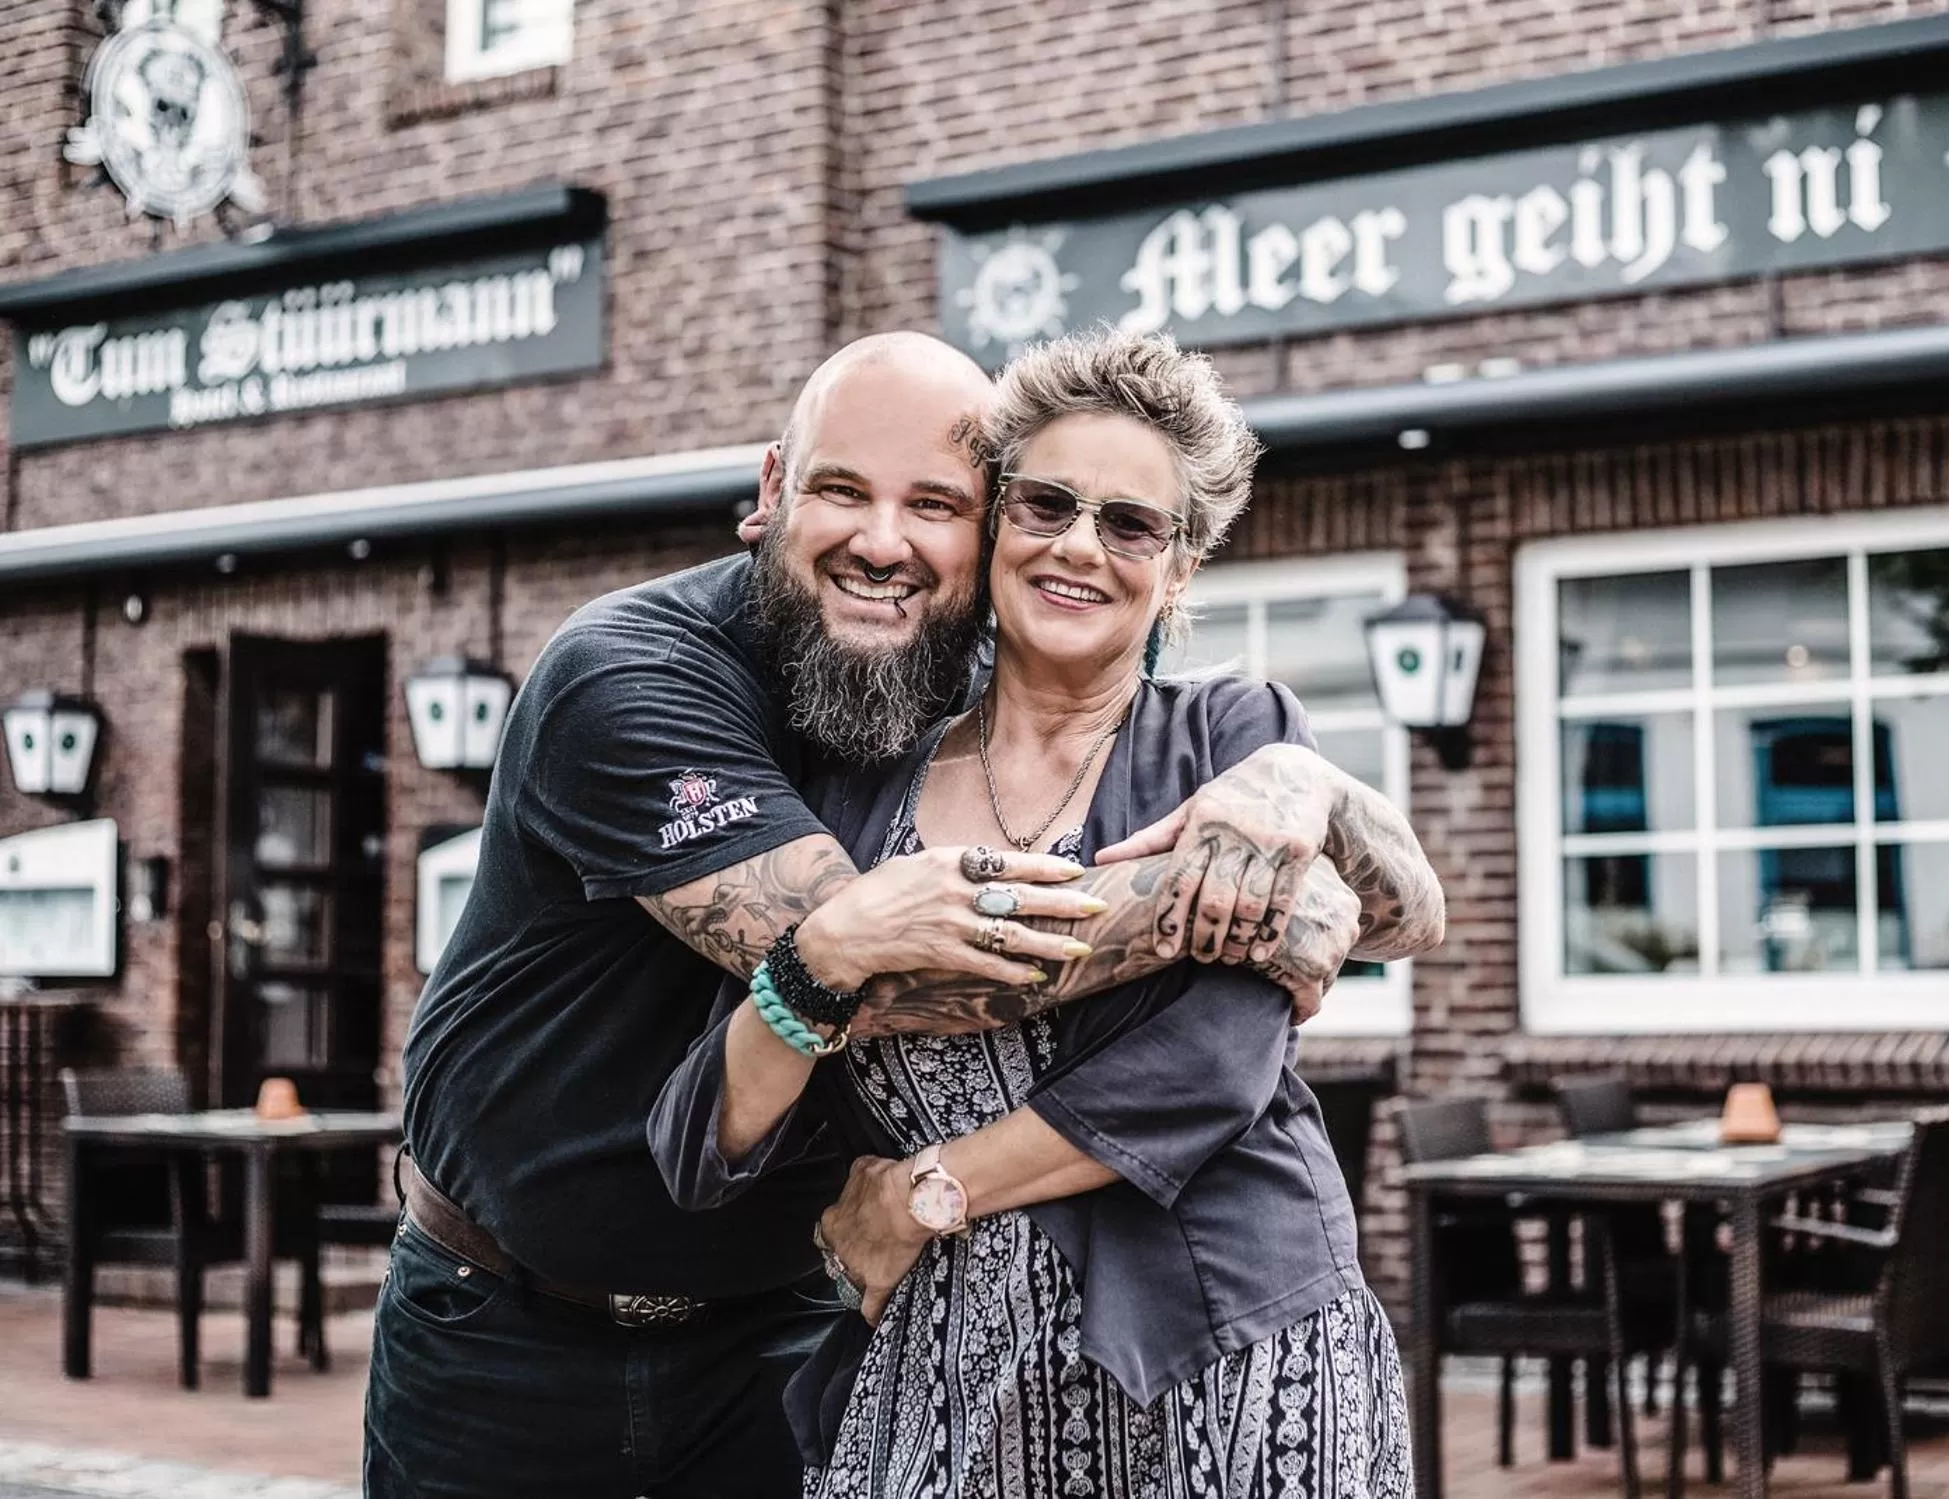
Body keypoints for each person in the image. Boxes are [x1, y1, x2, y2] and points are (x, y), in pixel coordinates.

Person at [368, 331, 1440, 1499]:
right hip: (509, 1322)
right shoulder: (641, 674)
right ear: (771, 489)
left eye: (933, 503)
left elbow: (1232, 1042)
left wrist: (1312, 788)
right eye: (841, 490)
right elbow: (870, 969)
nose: (884, 543)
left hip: (1012, 1329)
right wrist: (1226, 906)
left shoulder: (1163, 725)